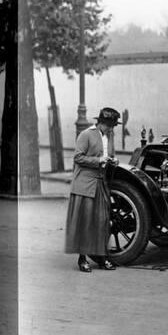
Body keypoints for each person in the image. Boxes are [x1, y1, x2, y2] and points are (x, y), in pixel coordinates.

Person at [65, 107, 121, 272]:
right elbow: (78, 157)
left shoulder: (109, 136)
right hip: (85, 184)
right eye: (110, 125)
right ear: (102, 123)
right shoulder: (86, 134)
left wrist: (112, 160)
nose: (112, 129)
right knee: (86, 222)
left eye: (113, 126)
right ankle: (82, 259)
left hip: (100, 183)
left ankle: (102, 258)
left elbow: (109, 155)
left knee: (102, 222)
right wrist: (99, 161)